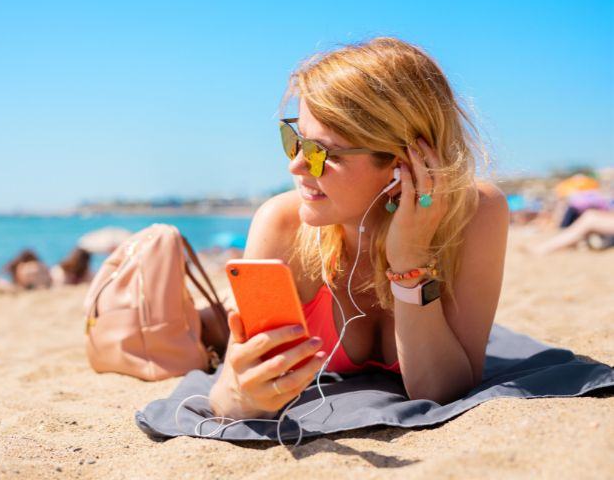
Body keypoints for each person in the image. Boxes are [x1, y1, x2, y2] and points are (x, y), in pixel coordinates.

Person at [207, 37, 509, 420]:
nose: (296, 166)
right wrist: (244, 395)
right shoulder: (282, 224)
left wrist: (410, 262)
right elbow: (227, 398)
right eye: (294, 140)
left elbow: (441, 390)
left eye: (323, 153)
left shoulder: (475, 214)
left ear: (405, 165)